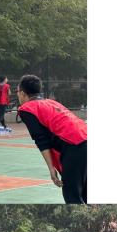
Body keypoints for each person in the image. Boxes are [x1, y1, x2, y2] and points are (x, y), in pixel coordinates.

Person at [17, 74, 87, 203]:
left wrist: (51, 168)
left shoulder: (27, 108)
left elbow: (41, 140)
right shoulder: (52, 102)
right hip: (85, 138)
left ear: (22, 93)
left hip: (75, 145)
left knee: (72, 196)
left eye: (17, 92)